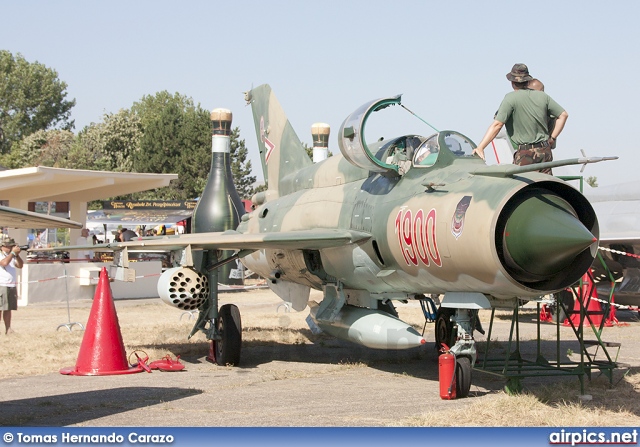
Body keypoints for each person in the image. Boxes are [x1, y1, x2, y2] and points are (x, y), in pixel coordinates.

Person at [473, 64, 568, 174]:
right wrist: (552, 138)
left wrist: (480, 147)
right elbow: (563, 115)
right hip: (545, 152)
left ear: (512, 82)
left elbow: (497, 124)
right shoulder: (543, 96)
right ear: (528, 81)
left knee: (522, 188)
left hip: (525, 153)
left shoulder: (510, 98)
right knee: (545, 186)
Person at [0, 234, 23, 334]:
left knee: (8, 308)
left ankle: (8, 328)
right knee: (0, 308)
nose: (10, 247)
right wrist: (13, 253)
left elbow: (20, 265)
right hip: (2, 284)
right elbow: (4, 263)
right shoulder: (2, 255)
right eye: (8, 246)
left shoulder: (12, 256)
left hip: (11, 285)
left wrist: (16, 255)